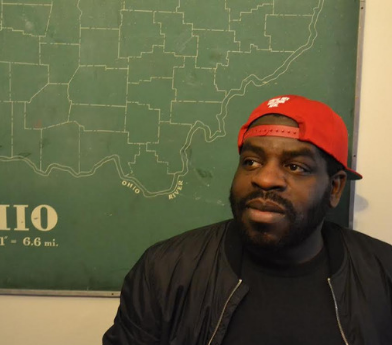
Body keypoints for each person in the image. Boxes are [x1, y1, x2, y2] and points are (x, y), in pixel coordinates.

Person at [103, 95, 392, 345]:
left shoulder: (383, 275)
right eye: (251, 162)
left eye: (295, 166)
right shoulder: (165, 271)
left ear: (335, 187)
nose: (264, 179)